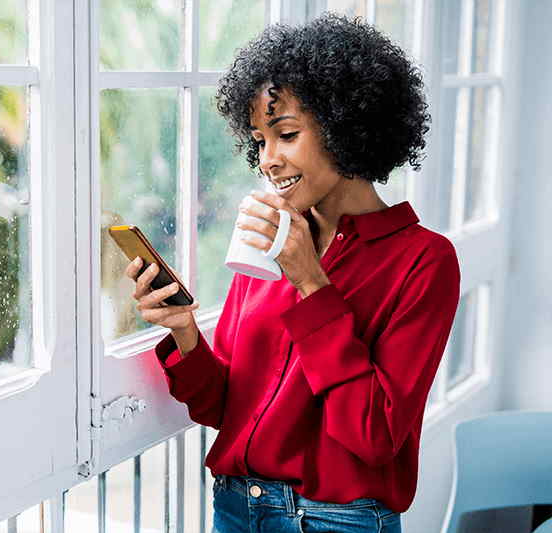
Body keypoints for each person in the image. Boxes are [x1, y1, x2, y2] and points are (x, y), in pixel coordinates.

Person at [124, 12, 460, 533]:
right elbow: (224, 408)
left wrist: (311, 284)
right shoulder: (267, 244)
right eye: (259, 140)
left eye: (285, 134)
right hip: (237, 508)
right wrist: (184, 332)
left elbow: (373, 436)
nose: (268, 160)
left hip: (338, 522)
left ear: (348, 126)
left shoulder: (424, 262)